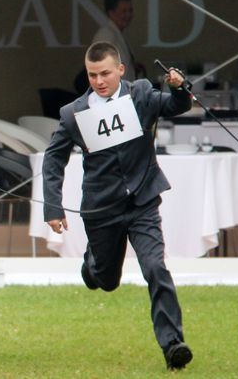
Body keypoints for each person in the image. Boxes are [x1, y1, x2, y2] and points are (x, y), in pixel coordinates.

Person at [43, 41, 193, 370]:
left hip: (142, 201)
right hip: (102, 209)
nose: (99, 80)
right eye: (92, 75)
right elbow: (53, 159)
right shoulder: (73, 113)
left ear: (120, 70)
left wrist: (181, 88)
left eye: (105, 73)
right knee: (106, 281)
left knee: (155, 268)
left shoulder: (140, 94)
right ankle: (93, 263)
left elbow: (176, 106)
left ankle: (173, 345)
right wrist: (52, 207)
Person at [92, 0, 145, 82]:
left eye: (130, 10)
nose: (128, 15)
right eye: (124, 11)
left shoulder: (117, 35)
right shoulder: (105, 36)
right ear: (111, 13)